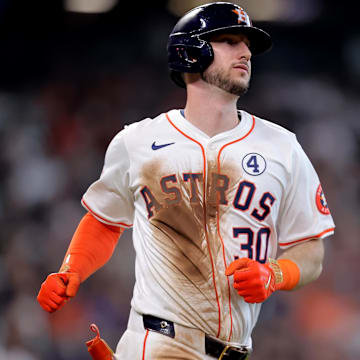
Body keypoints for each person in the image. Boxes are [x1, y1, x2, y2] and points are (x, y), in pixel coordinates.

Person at [37, 2, 335, 359]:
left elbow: (312, 250)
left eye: (247, 45)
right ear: (191, 52)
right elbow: (105, 220)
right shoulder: (138, 141)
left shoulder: (282, 146)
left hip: (236, 351)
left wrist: (276, 273)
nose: (245, 52)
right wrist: (71, 270)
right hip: (159, 343)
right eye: (229, 41)